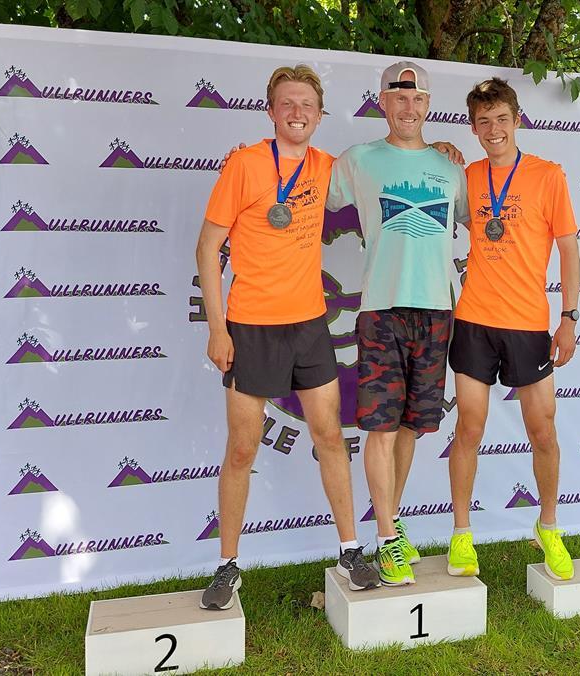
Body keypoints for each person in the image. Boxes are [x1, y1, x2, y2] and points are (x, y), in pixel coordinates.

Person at [194, 64, 381, 609]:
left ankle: (349, 550)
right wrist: (217, 327)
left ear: (320, 115)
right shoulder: (245, 165)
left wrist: (439, 146)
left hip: (309, 327)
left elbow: (391, 167)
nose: (297, 113)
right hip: (250, 327)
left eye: (307, 105)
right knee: (242, 449)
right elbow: (208, 248)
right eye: (287, 104)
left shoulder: (330, 168)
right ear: (271, 111)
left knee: (329, 437)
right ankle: (228, 566)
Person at [326, 61, 470, 585]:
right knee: (380, 429)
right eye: (398, 98)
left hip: (436, 311)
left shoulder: (452, 167)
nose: (408, 107)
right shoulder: (358, 160)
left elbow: (487, 220)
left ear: (428, 105)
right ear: (382, 102)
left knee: (412, 426)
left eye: (417, 99)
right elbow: (299, 188)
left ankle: (392, 524)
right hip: (381, 312)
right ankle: (387, 538)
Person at [444, 78, 580, 580]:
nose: (493, 129)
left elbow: (569, 250)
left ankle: (548, 526)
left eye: (501, 118)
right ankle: (461, 534)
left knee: (542, 431)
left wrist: (568, 317)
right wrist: (439, 153)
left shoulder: (548, 176)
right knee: (470, 429)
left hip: (528, 323)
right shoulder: (467, 176)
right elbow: (434, 182)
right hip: (475, 320)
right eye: (483, 121)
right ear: (474, 127)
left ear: (517, 119)